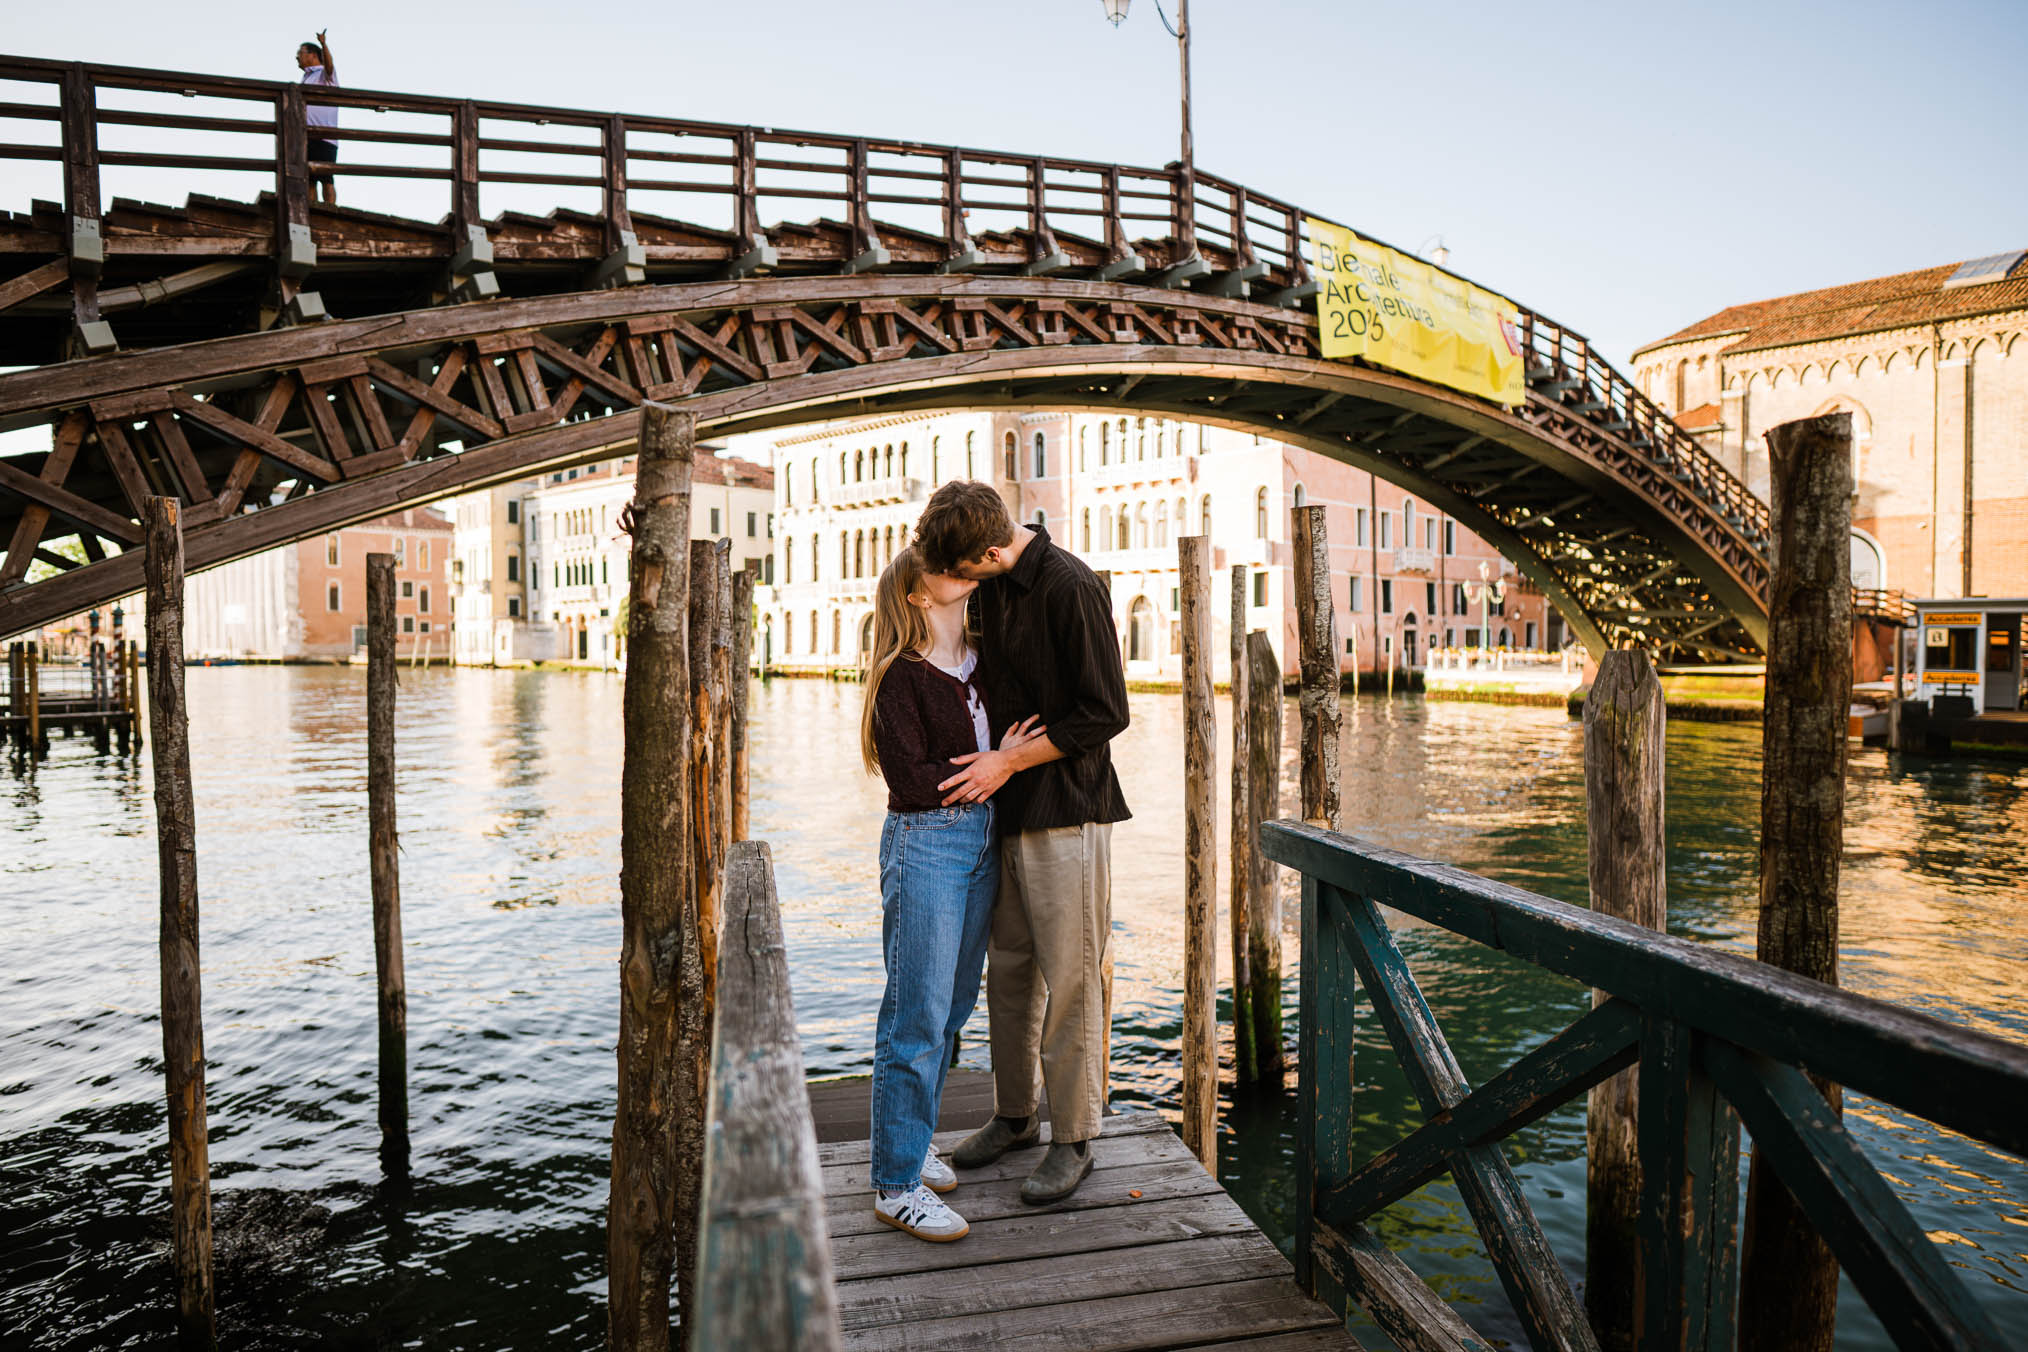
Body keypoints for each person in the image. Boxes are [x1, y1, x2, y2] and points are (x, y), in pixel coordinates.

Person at [915, 482, 1130, 1204]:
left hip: (1069, 809)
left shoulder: (1073, 587)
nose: (959, 584)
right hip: (1007, 811)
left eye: (964, 570)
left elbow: (1105, 713)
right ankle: (1016, 1117)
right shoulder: (992, 585)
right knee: (1007, 973)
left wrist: (1006, 761)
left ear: (990, 551)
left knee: (1072, 978)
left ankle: (1075, 1139)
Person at [861, 545, 1047, 1242]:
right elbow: (912, 781)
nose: (964, 573)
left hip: (981, 840)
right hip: (926, 844)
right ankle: (896, 1183)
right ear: (916, 592)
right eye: (946, 568)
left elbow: (1000, 744)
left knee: (953, 1008)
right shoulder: (897, 677)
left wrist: (1003, 758)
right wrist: (993, 768)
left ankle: (910, 1147)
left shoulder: (979, 658)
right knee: (916, 1015)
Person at [295, 32, 339, 206]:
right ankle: (312, 211)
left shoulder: (324, 74)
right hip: (306, 135)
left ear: (312, 55)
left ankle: (330, 211)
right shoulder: (306, 77)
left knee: (326, 178)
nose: (297, 56)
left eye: (300, 52)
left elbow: (329, 66)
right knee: (310, 178)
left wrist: (324, 45)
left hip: (324, 135)